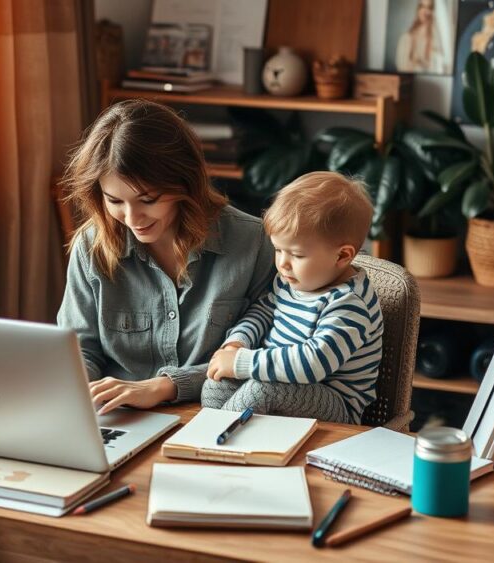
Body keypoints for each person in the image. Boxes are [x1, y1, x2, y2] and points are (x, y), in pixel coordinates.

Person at [58, 99, 275, 415]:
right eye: (114, 200)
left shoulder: (252, 243)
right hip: (118, 419)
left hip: (217, 418)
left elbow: (269, 358)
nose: (132, 217)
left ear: (185, 181)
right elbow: (80, 350)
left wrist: (165, 387)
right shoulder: (91, 248)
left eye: (148, 199)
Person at [202, 172, 383, 424]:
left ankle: (215, 444)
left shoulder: (350, 304)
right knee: (215, 383)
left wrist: (243, 362)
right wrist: (238, 343)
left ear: (342, 256)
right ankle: (219, 440)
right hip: (276, 380)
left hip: (335, 404)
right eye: (278, 250)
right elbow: (263, 312)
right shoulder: (292, 280)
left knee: (262, 390)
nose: (283, 264)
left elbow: (313, 363)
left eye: (296, 255)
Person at [395, 0, 452, 75]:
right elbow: (402, 69)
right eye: (422, 6)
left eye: (430, 8)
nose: (426, 12)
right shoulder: (406, 38)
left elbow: (442, 68)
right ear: (418, 9)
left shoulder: (437, 40)